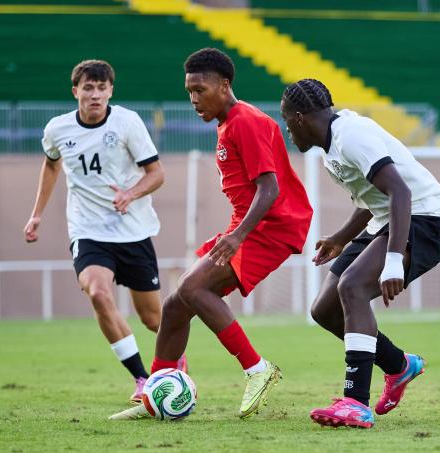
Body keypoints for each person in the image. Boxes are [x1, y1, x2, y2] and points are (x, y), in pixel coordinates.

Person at [110, 48, 312, 420]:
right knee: (175, 306)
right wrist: (236, 232)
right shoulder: (228, 123)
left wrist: (237, 237)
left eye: (200, 90)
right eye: (189, 91)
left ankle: (257, 369)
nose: (193, 99)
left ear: (224, 85)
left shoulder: (245, 121)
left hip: (271, 227)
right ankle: (156, 394)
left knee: (192, 288)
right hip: (249, 227)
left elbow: (269, 189)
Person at [280, 79, 440, 429]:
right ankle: (398, 365)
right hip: (386, 221)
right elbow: (372, 198)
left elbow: (400, 192)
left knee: (352, 287)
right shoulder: (332, 146)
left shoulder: (351, 136)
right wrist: (341, 238)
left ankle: (356, 403)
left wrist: (393, 261)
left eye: (286, 121)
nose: (287, 131)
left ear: (299, 117)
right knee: (324, 309)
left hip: (424, 220)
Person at [24, 59, 178, 405]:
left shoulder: (127, 122)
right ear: (75, 91)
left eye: (101, 88)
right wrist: (36, 215)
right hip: (88, 230)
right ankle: (142, 378)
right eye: (88, 88)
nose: (95, 95)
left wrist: (130, 194)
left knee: (153, 318)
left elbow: (156, 174)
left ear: (111, 91)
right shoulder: (57, 129)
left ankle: (176, 364)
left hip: (133, 230)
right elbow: (51, 165)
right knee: (97, 293)